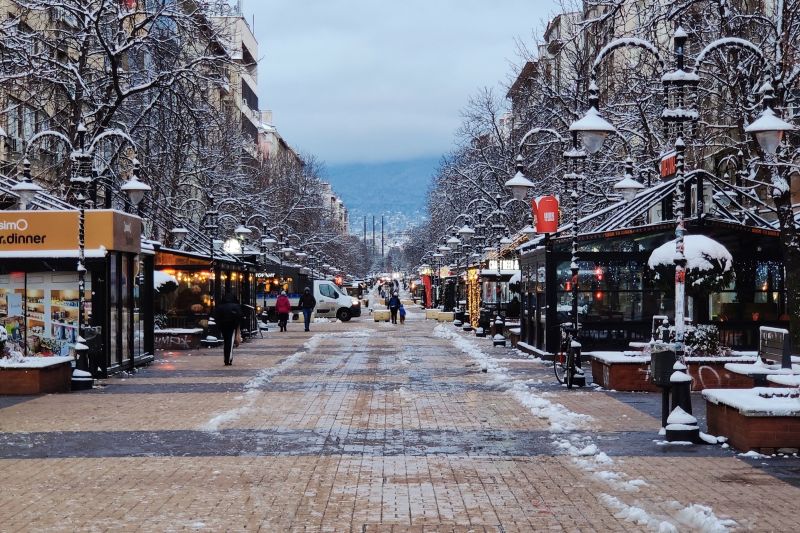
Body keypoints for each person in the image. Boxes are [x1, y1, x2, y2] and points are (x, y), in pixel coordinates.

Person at [212, 294, 242, 366]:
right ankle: (228, 359)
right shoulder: (235, 306)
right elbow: (239, 316)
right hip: (232, 326)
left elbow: (215, 316)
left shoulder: (220, 307)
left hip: (223, 326)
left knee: (226, 341)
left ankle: (227, 358)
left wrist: (219, 324)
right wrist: (237, 325)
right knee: (230, 342)